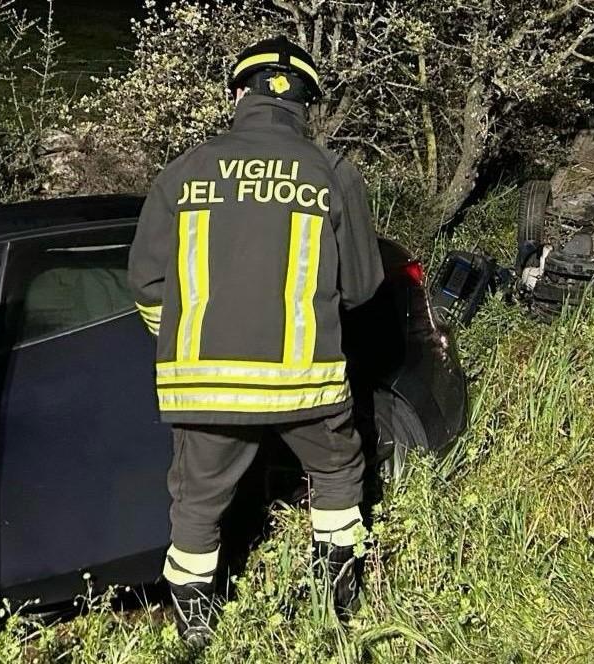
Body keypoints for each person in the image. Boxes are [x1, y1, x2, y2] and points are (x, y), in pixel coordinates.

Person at [128, 35, 383, 648]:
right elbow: (363, 286)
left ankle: (195, 636)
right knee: (338, 473)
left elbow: (146, 283)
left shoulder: (183, 171)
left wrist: (195, 340)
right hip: (305, 381)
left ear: (239, 93)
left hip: (203, 385)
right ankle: (333, 606)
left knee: (196, 504)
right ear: (306, 105)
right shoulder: (333, 173)